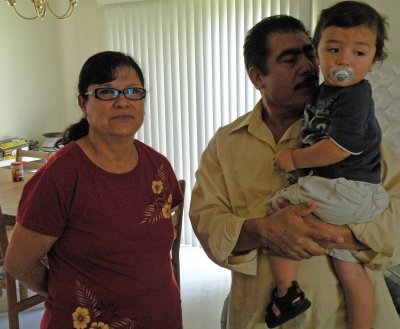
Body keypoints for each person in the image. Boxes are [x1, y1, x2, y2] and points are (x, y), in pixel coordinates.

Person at [189, 13, 400, 329]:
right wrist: (265, 230)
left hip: (343, 318)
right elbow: (207, 221)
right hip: (259, 317)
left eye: (308, 54)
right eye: (289, 60)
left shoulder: (352, 133)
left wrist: (336, 236)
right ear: (257, 78)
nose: (307, 66)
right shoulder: (226, 143)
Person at [4, 51, 183, 329]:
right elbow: (19, 263)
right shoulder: (60, 176)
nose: (123, 101)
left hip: (161, 318)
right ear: (82, 103)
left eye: (133, 92)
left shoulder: (158, 167)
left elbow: (152, 247)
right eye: (106, 92)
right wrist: (67, 293)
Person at [268, 2, 389, 328]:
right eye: (334, 49)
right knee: (349, 268)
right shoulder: (326, 93)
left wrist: (294, 158)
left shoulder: (355, 96)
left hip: (348, 187)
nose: (344, 60)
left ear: (374, 61)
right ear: (318, 55)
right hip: (349, 193)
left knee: (279, 210)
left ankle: (286, 292)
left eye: (359, 53)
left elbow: (339, 148)